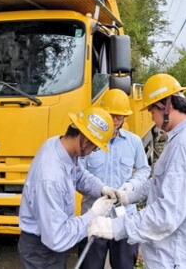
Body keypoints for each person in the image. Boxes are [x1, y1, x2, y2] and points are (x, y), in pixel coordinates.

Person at [88, 74, 186, 269]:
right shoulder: (179, 140)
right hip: (168, 256)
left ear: (167, 106)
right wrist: (128, 196)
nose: (151, 117)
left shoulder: (184, 146)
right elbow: (157, 182)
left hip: (174, 259)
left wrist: (114, 227)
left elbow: (166, 215)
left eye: (152, 109)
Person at [18, 106, 118, 269]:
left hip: (48, 241)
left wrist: (102, 188)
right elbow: (57, 237)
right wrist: (92, 215)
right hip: (42, 250)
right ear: (85, 140)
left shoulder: (59, 146)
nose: (94, 152)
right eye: (96, 147)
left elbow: (78, 175)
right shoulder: (50, 177)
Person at [78, 89, 151, 269]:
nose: (116, 119)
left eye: (120, 116)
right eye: (112, 115)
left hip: (125, 218)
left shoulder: (133, 142)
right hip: (94, 215)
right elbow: (78, 174)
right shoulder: (89, 140)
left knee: (124, 265)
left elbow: (143, 169)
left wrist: (130, 186)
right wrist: (101, 190)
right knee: (90, 265)